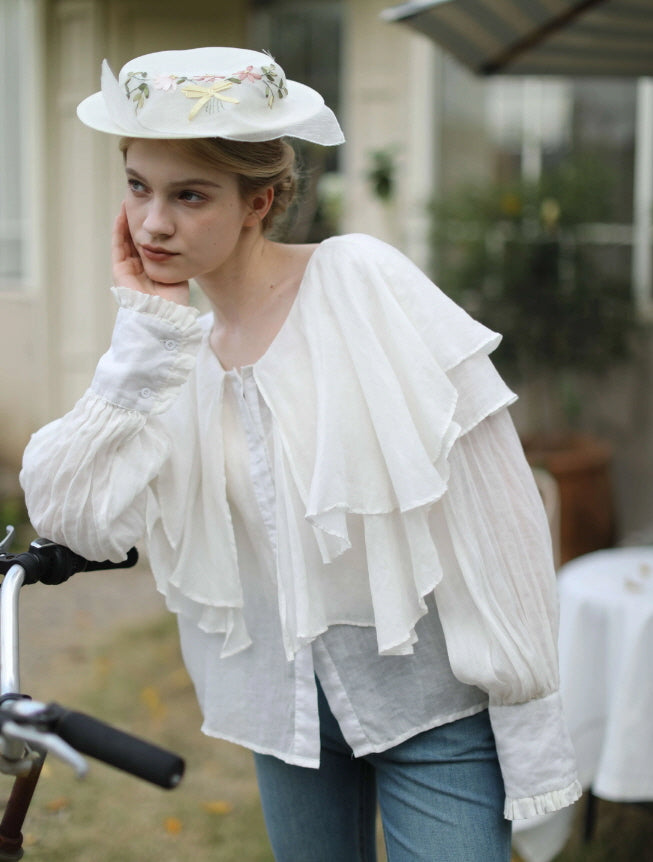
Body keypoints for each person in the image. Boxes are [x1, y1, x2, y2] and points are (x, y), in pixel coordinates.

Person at [20, 47, 581, 861]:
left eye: (189, 195)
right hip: (283, 713)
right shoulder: (169, 352)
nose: (153, 224)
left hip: (431, 704)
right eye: (138, 187)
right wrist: (145, 338)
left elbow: (497, 507)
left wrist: (520, 695)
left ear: (261, 200)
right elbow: (72, 516)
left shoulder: (360, 282)